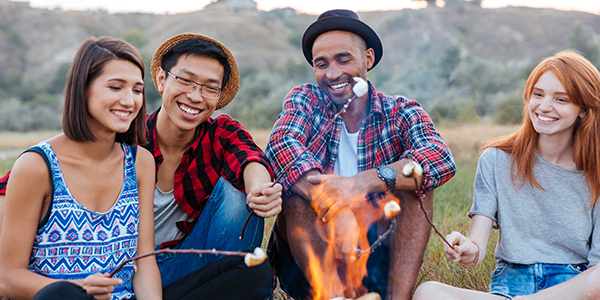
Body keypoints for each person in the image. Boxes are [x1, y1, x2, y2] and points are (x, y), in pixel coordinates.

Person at [265, 9, 456, 300]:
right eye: (322, 64)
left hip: (377, 255)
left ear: (367, 59)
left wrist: (364, 182)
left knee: (416, 184)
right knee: (297, 193)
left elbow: (439, 157)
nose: (332, 74)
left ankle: (396, 298)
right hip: (311, 262)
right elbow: (281, 143)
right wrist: (337, 205)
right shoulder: (305, 99)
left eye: (344, 59)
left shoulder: (400, 111)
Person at [413, 50, 600, 300]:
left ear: (584, 110)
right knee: (428, 292)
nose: (544, 107)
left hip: (571, 288)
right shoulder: (496, 160)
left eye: (561, 99)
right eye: (538, 94)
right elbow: (476, 247)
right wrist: (467, 248)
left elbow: (595, 272)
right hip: (511, 285)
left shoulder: (596, 172)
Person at [0, 36, 162, 299]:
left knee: (240, 274)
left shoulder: (140, 162)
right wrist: (80, 291)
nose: (130, 101)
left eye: (137, 90)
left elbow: (144, 264)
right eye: (115, 87)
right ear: (83, 88)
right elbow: (8, 278)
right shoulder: (37, 166)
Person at [144, 32, 281, 297]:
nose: (195, 96)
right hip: (129, 268)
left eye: (209, 87)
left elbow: (249, 158)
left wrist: (260, 190)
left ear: (219, 96)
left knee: (238, 192)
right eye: (185, 81)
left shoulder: (220, 132)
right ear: (162, 79)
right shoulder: (130, 138)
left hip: (188, 267)